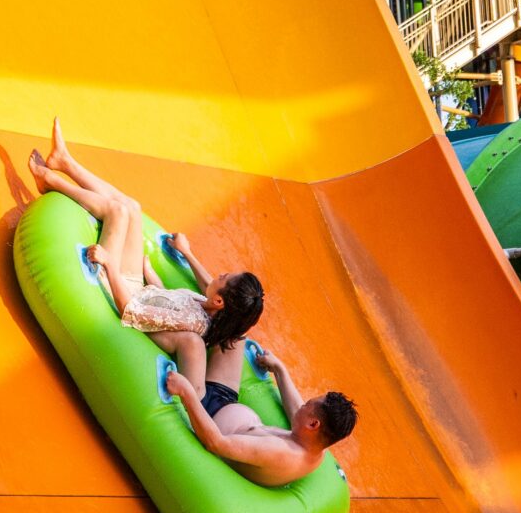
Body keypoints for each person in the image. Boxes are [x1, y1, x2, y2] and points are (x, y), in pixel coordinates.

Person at [27, 119, 265, 395]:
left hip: (118, 290)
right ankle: (65, 162)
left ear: (220, 300)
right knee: (132, 208)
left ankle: (50, 181)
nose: (218, 274)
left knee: (117, 213)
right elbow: (167, 298)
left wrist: (109, 263)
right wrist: (150, 270)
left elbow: (132, 311)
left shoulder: (193, 324)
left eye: (223, 277)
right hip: (135, 285)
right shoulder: (205, 308)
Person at [168, 352, 357, 489]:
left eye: (307, 404)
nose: (302, 405)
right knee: (236, 332)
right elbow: (296, 411)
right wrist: (279, 370)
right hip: (224, 399)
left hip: (204, 411)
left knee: (192, 344)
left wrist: (186, 392)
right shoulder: (313, 446)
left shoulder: (280, 452)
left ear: (313, 424)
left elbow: (216, 443)